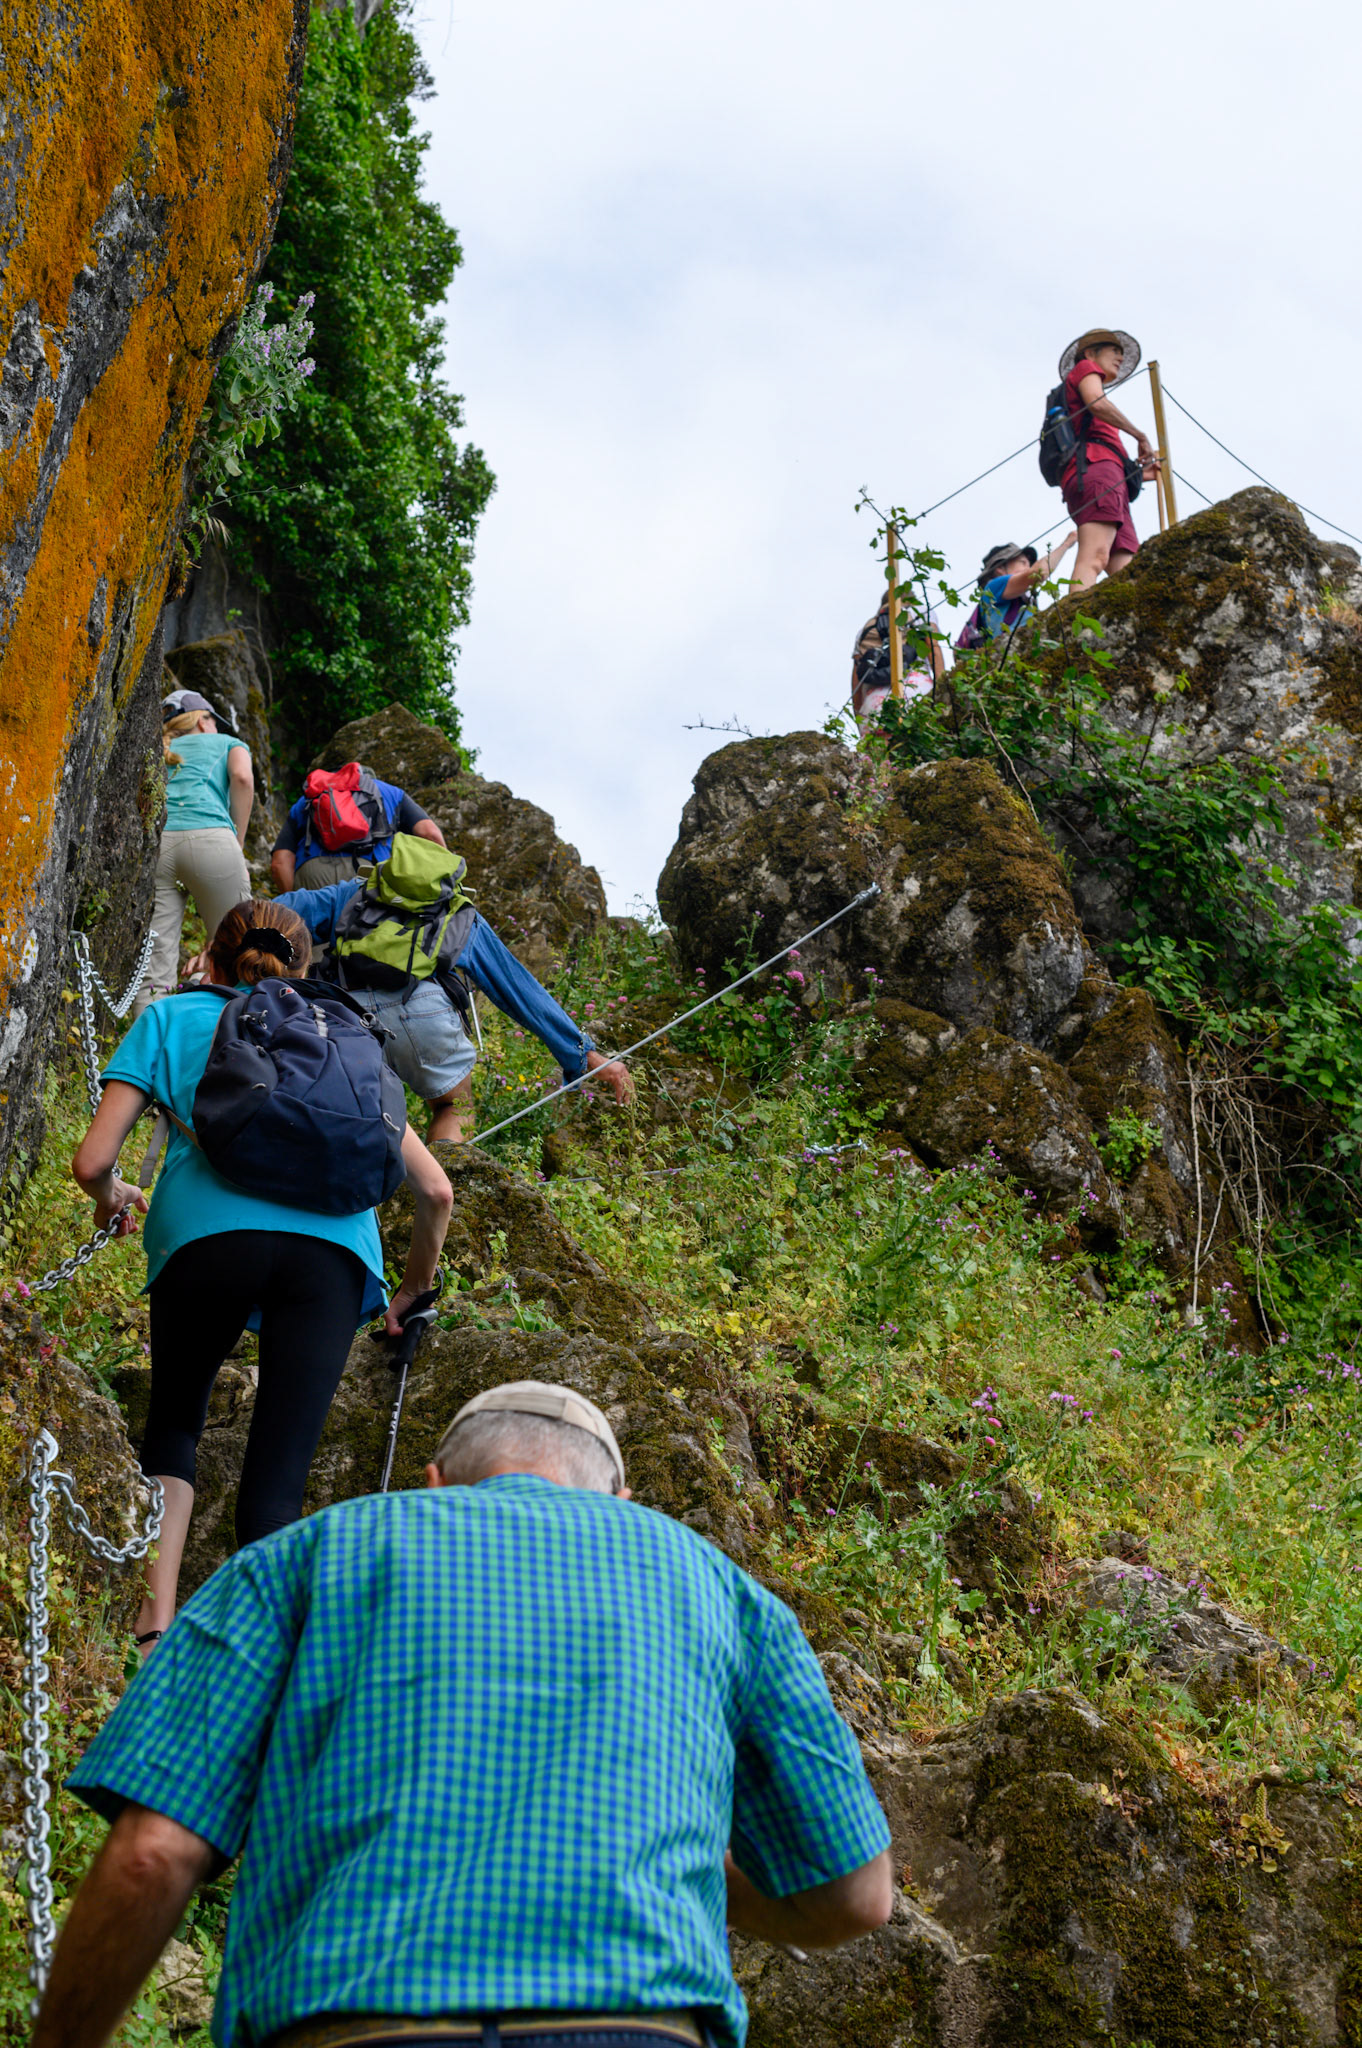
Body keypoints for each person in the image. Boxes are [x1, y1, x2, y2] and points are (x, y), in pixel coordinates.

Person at [42, 1379, 893, 2048]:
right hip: (644, 2020)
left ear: (437, 1483)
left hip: (353, 2019)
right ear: (622, 1501)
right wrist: (694, 1878)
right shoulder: (725, 1592)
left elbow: (153, 1857)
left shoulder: (305, 1556)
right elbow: (856, 1896)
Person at [71, 897, 454, 1651]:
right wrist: (410, 1290)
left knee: (175, 1424)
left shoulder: (172, 1019)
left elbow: (92, 1161)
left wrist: (112, 1198)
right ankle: (263, 1673)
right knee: (278, 1487)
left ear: (208, 961)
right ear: (306, 969)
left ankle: (152, 1640)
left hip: (204, 1242)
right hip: (333, 1261)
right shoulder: (342, 1036)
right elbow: (436, 1190)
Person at [273, 840, 635, 1144]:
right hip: (423, 1012)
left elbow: (277, 917)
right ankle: (432, 1195)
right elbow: (517, 989)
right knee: (454, 1107)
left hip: (344, 1010)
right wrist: (583, 1055)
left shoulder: (355, 892)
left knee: (352, 1106)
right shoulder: (458, 912)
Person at [134, 687, 254, 1017]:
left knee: (155, 964)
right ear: (202, 721)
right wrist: (238, 842)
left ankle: (148, 1050)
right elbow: (242, 778)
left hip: (161, 846)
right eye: (213, 721)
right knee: (239, 946)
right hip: (212, 840)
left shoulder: (159, 747)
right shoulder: (228, 743)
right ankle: (226, 1035)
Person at [1057, 327, 1160, 590]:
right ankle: (1073, 624)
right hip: (1097, 471)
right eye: (1114, 350)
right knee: (1095, 556)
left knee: (1126, 572)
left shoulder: (1098, 426)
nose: (1120, 358)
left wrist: (1148, 474)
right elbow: (1097, 401)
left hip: (1110, 479)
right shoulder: (1084, 368)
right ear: (1091, 353)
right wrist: (1139, 435)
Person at [271, 761, 447, 891]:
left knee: (311, 936)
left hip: (313, 874)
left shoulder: (308, 798)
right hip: (368, 873)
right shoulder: (390, 792)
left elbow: (280, 862)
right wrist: (447, 878)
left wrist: (295, 899)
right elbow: (430, 834)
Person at [955, 533, 1078, 651]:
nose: (1028, 568)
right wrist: (1066, 544)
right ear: (1000, 569)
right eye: (1023, 563)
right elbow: (1039, 573)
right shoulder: (993, 586)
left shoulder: (1020, 596)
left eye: (1029, 564)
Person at [850, 594, 943, 735]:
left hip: (873, 707)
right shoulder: (919, 612)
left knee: (878, 755)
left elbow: (857, 681)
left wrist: (859, 717)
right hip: (917, 695)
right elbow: (932, 647)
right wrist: (943, 688)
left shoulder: (866, 629)